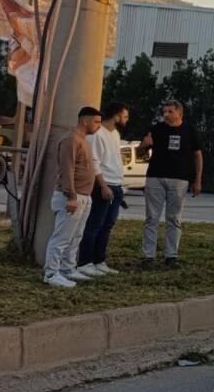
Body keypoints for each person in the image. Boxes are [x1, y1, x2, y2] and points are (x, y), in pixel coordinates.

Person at [139, 99, 203, 268]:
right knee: (151, 218)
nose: (166, 114)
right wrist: (144, 145)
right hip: (155, 177)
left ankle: (171, 256)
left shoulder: (190, 130)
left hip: (179, 179)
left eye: (170, 112)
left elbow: (197, 156)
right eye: (164, 111)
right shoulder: (156, 129)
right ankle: (148, 256)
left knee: (174, 219)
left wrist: (197, 180)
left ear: (180, 114)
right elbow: (141, 152)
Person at [43, 107, 103, 287]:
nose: (99, 126)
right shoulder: (70, 140)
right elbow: (66, 169)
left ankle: (68, 269)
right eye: (96, 122)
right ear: (85, 121)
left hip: (84, 196)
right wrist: (71, 196)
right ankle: (51, 273)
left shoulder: (84, 141)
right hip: (71, 197)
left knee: (75, 237)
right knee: (62, 238)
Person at [77, 101, 130, 277]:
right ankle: (85, 262)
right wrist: (103, 185)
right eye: (125, 116)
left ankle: (99, 261)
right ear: (116, 116)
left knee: (107, 225)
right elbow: (94, 162)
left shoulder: (115, 133)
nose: (127, 120)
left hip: (116, 185)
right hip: (103, 186)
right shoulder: (97, 135)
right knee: (94, 225)